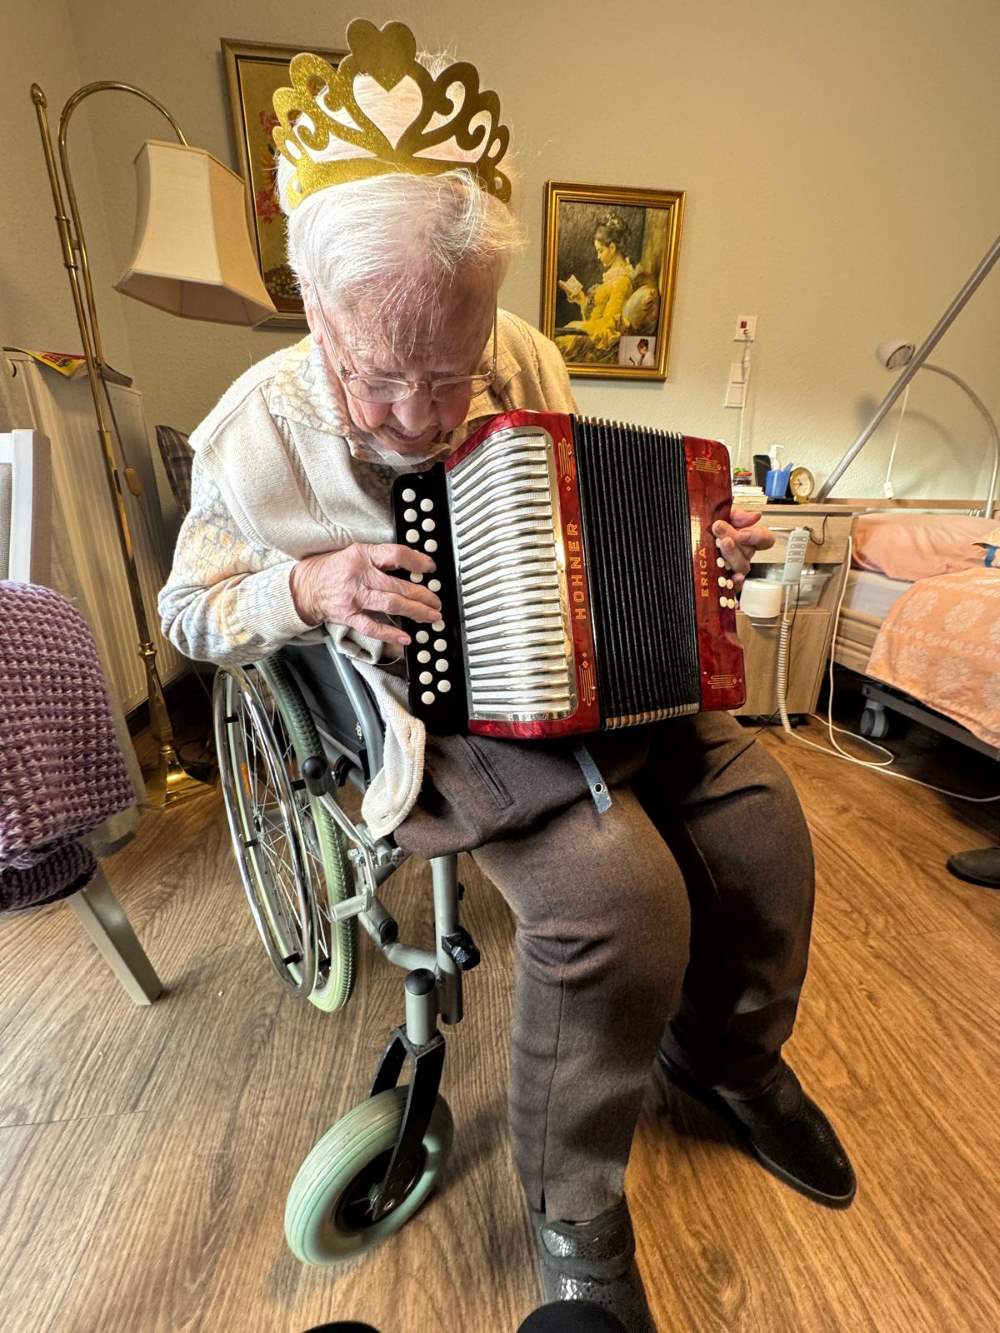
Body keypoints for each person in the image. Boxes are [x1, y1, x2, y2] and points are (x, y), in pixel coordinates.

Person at [159, 21, 854, 1332]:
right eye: (386, 377)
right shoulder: (253, 429)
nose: (428, 412)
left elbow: (578, 512)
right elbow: (189, 612)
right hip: (422, 707)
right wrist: (310, 586)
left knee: (765, 827)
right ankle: (574, 1197)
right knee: (621, 897)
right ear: (315, 311)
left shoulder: (523, 352)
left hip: (577, 674)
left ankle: (731, 1064)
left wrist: (694, 538)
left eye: (455, 368)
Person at [556, 213, 635, 363]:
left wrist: (577, 325)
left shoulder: (622, 282)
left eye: (600, 251)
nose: (598, 257)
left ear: (612, 247)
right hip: (589, 336)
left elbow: (608, 326)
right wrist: (582, 300)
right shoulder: (611, 278)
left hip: (599, 347)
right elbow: (595, 317)